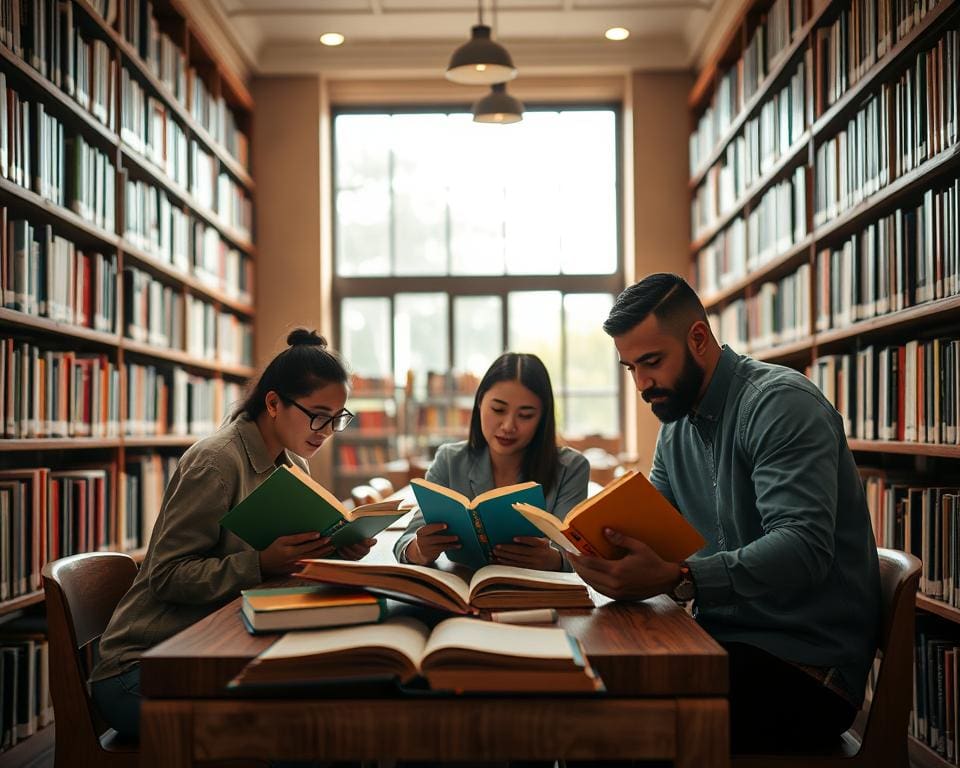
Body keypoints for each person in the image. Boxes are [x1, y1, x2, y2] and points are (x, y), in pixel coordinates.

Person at [568, 273, 881, 754]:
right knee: (588, 695)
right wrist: (579, 550)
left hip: (807, 670)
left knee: (615, 726)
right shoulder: (676, 426)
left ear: (698, 338)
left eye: (651, 362)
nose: (642, 383)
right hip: (720, 646)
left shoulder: (780, 405)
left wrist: (682, 577)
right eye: (630, 368)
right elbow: (650, 528)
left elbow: (803, 546)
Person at [90, 329, 376, 739]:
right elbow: (167, 575)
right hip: (144, 667)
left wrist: (336, 547)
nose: (327, 430)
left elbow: (285, 567)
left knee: (332, 705)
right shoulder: (216, 463)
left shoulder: (294, 466)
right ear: (273, 403)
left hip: (216, 647)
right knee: (298, 731)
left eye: (337, 419)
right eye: (318, 415)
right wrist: (259, 564)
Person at [394, 352, 589, 571]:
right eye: (498, 409)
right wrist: (420, 550)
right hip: (463, 591)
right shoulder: (449, 460)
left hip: (538, 597)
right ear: (479, 403)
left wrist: (555, 560)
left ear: (543, 418)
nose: (508, 426)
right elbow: (406, 541)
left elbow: (579, 553)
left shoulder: (571, 468)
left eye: (525, 415)